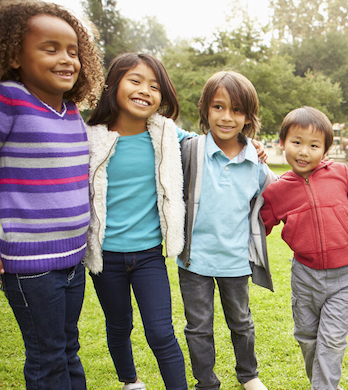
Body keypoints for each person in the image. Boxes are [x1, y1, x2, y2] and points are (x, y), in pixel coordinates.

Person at [0, 2, 103, 389]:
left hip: (72, 259)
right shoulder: (9, 100)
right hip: (32, 266)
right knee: (47, 358)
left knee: (66, 348)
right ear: (14, 55)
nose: (66, 59)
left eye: (73, 52)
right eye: (50, 48)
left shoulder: (71, 111)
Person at [84, 53, 190, 390]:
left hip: (148, 256)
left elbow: (210, 144)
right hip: (106, 257)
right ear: (114, 84)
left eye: (154, 86)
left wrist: (253, 147)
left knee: (161, 332)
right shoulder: (90, 137)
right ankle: (130, 382)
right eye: (135, 81)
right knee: (118, 325)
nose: (145, 90)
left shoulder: (166, 134)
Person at [176, 70, 274, 390]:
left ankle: (248, 375)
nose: (227, 117)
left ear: (248, 116)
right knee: (198, 327)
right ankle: (206, 382)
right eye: (218, 107)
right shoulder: (190, 149)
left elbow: (272, 200)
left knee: (241, 323)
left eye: (236, 109)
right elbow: (159, 129)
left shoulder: (256, 162)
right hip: (194, 260)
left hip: (235, 259)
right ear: (205, 109)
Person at [260, 106, 348, 390]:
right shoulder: (277, 191)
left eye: (313, 145)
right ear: (281, 144)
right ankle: (325, 384)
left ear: (325, 150)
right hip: (305, 277)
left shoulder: (340, 174)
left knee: (331, 339)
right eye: (296, 142)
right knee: (307, 338)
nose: (304, 151)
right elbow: (260, 226)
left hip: (344, 276)